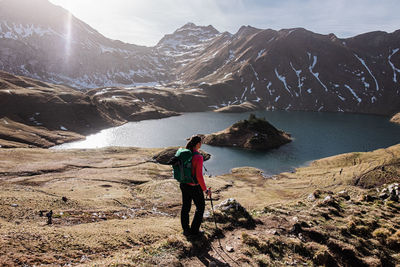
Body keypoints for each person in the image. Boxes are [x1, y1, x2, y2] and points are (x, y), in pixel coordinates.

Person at [180, 135, 211, 237]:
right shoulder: (198, 157)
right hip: (194, 186)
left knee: (186, 207)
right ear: (198, 144)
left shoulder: (185, 153)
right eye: (201, 142)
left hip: (184, 184)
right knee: (200, 207)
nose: (201, 144)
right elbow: (199, 176)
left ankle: (186, 230)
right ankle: (194, 231)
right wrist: (205, 190)